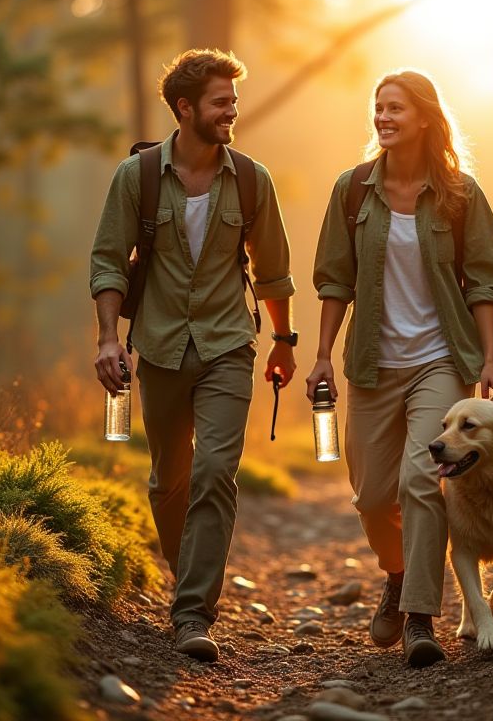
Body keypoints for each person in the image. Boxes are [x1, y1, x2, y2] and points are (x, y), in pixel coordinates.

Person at [90, 49, 297, 662]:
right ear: (185, 108)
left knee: (215, 471)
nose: (231, 111)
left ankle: (192, 612)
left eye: (233, 101)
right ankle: (189, 583)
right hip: (156, 346)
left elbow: (275, 273)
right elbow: (107, 259)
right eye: (220, 102)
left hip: (229, 343)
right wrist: (106, 338)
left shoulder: (254, 180)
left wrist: (283, 345)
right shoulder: (138, 177)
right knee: (169, 481)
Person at [306, 70, 493, 667]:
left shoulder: (460, 193)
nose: (383, 116)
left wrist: (490, 358)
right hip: (371, 363)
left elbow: (486, 280)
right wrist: (321, 353)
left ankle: (420, 617)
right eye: (378, 107)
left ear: (424, 117)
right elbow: (333, 279)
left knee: (423, 480)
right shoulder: (352, 192)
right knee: (372, 495)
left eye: (395, 107)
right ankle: (397, 576)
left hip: (440, 360)